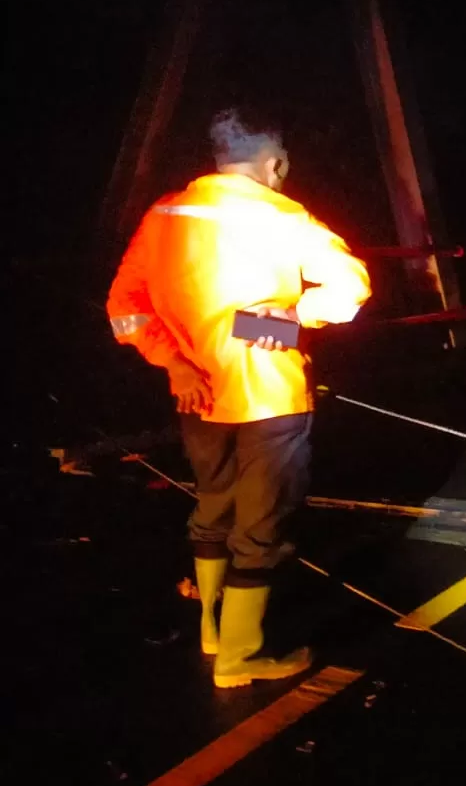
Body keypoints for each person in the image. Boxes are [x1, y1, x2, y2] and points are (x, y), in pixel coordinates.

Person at [107, 110, 371, 688]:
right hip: (269, 395)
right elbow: (352, 288)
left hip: (196, 394)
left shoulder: (165, 214)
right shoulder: (283, 216)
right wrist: (297, 314)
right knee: (260, 528)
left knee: (211, 508)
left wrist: (173, 361)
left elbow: (124, 304)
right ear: (274, 164)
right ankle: (239, 658)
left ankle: (210, 630)